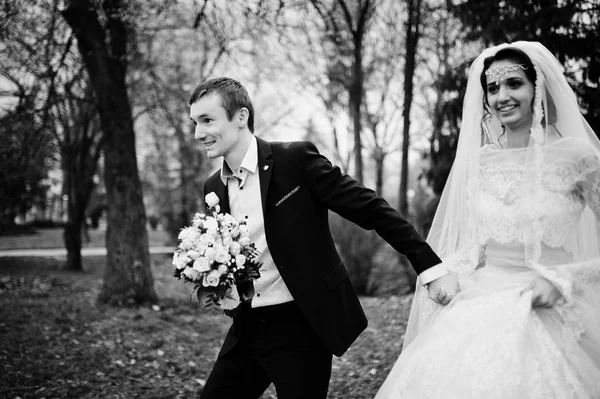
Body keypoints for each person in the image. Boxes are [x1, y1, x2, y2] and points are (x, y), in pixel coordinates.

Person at [189, 77, 459, 399]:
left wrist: (430, 268)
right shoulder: (213, 189)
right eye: (195, 122)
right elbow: (236, 258)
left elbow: (372, 209)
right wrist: (213, 286)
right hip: (246, 329)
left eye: (207, 120)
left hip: (302, 328)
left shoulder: (295, 162)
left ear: (241, 117)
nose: (198, 133)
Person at [375, 41, 600, 398]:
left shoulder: (577, 157)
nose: (502, 96)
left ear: (537, 87)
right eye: (492, 88)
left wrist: (563, 280)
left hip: (552, 306)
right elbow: (478, 247)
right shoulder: (483, 161)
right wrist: (446, 272)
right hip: (481, 304)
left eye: (514, 83)